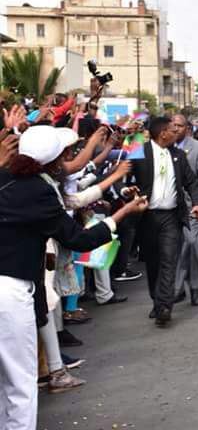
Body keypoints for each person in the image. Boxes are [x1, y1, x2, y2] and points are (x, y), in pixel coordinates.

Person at [0, 125, 147, 430]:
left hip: (15, 285)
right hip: (11, 291)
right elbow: (79, 239)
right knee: (20, 382)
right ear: (54, 161)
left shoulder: (6, 179)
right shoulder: (38, 190)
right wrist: (120, 215)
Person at [130, 116, 198, 326]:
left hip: (171, 217)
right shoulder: (140, 152)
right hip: (147, 217)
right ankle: (157, 300)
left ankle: (164, 307)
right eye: (173, 130)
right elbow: (122, 176)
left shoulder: (179, 155)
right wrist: (127, 190)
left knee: (169, 261)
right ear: (163, 133)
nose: (177, 132)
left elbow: (192, 182)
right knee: (153, 263)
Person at [172, 115, 198, 307]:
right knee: (180, 248)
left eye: (179, 126)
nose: (175, 129)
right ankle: (187, 287)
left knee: (188, 244)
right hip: (168, 207)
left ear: (187, 128)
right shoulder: (163, 147)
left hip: (192, 206)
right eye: (173, 125)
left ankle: (182, 287)